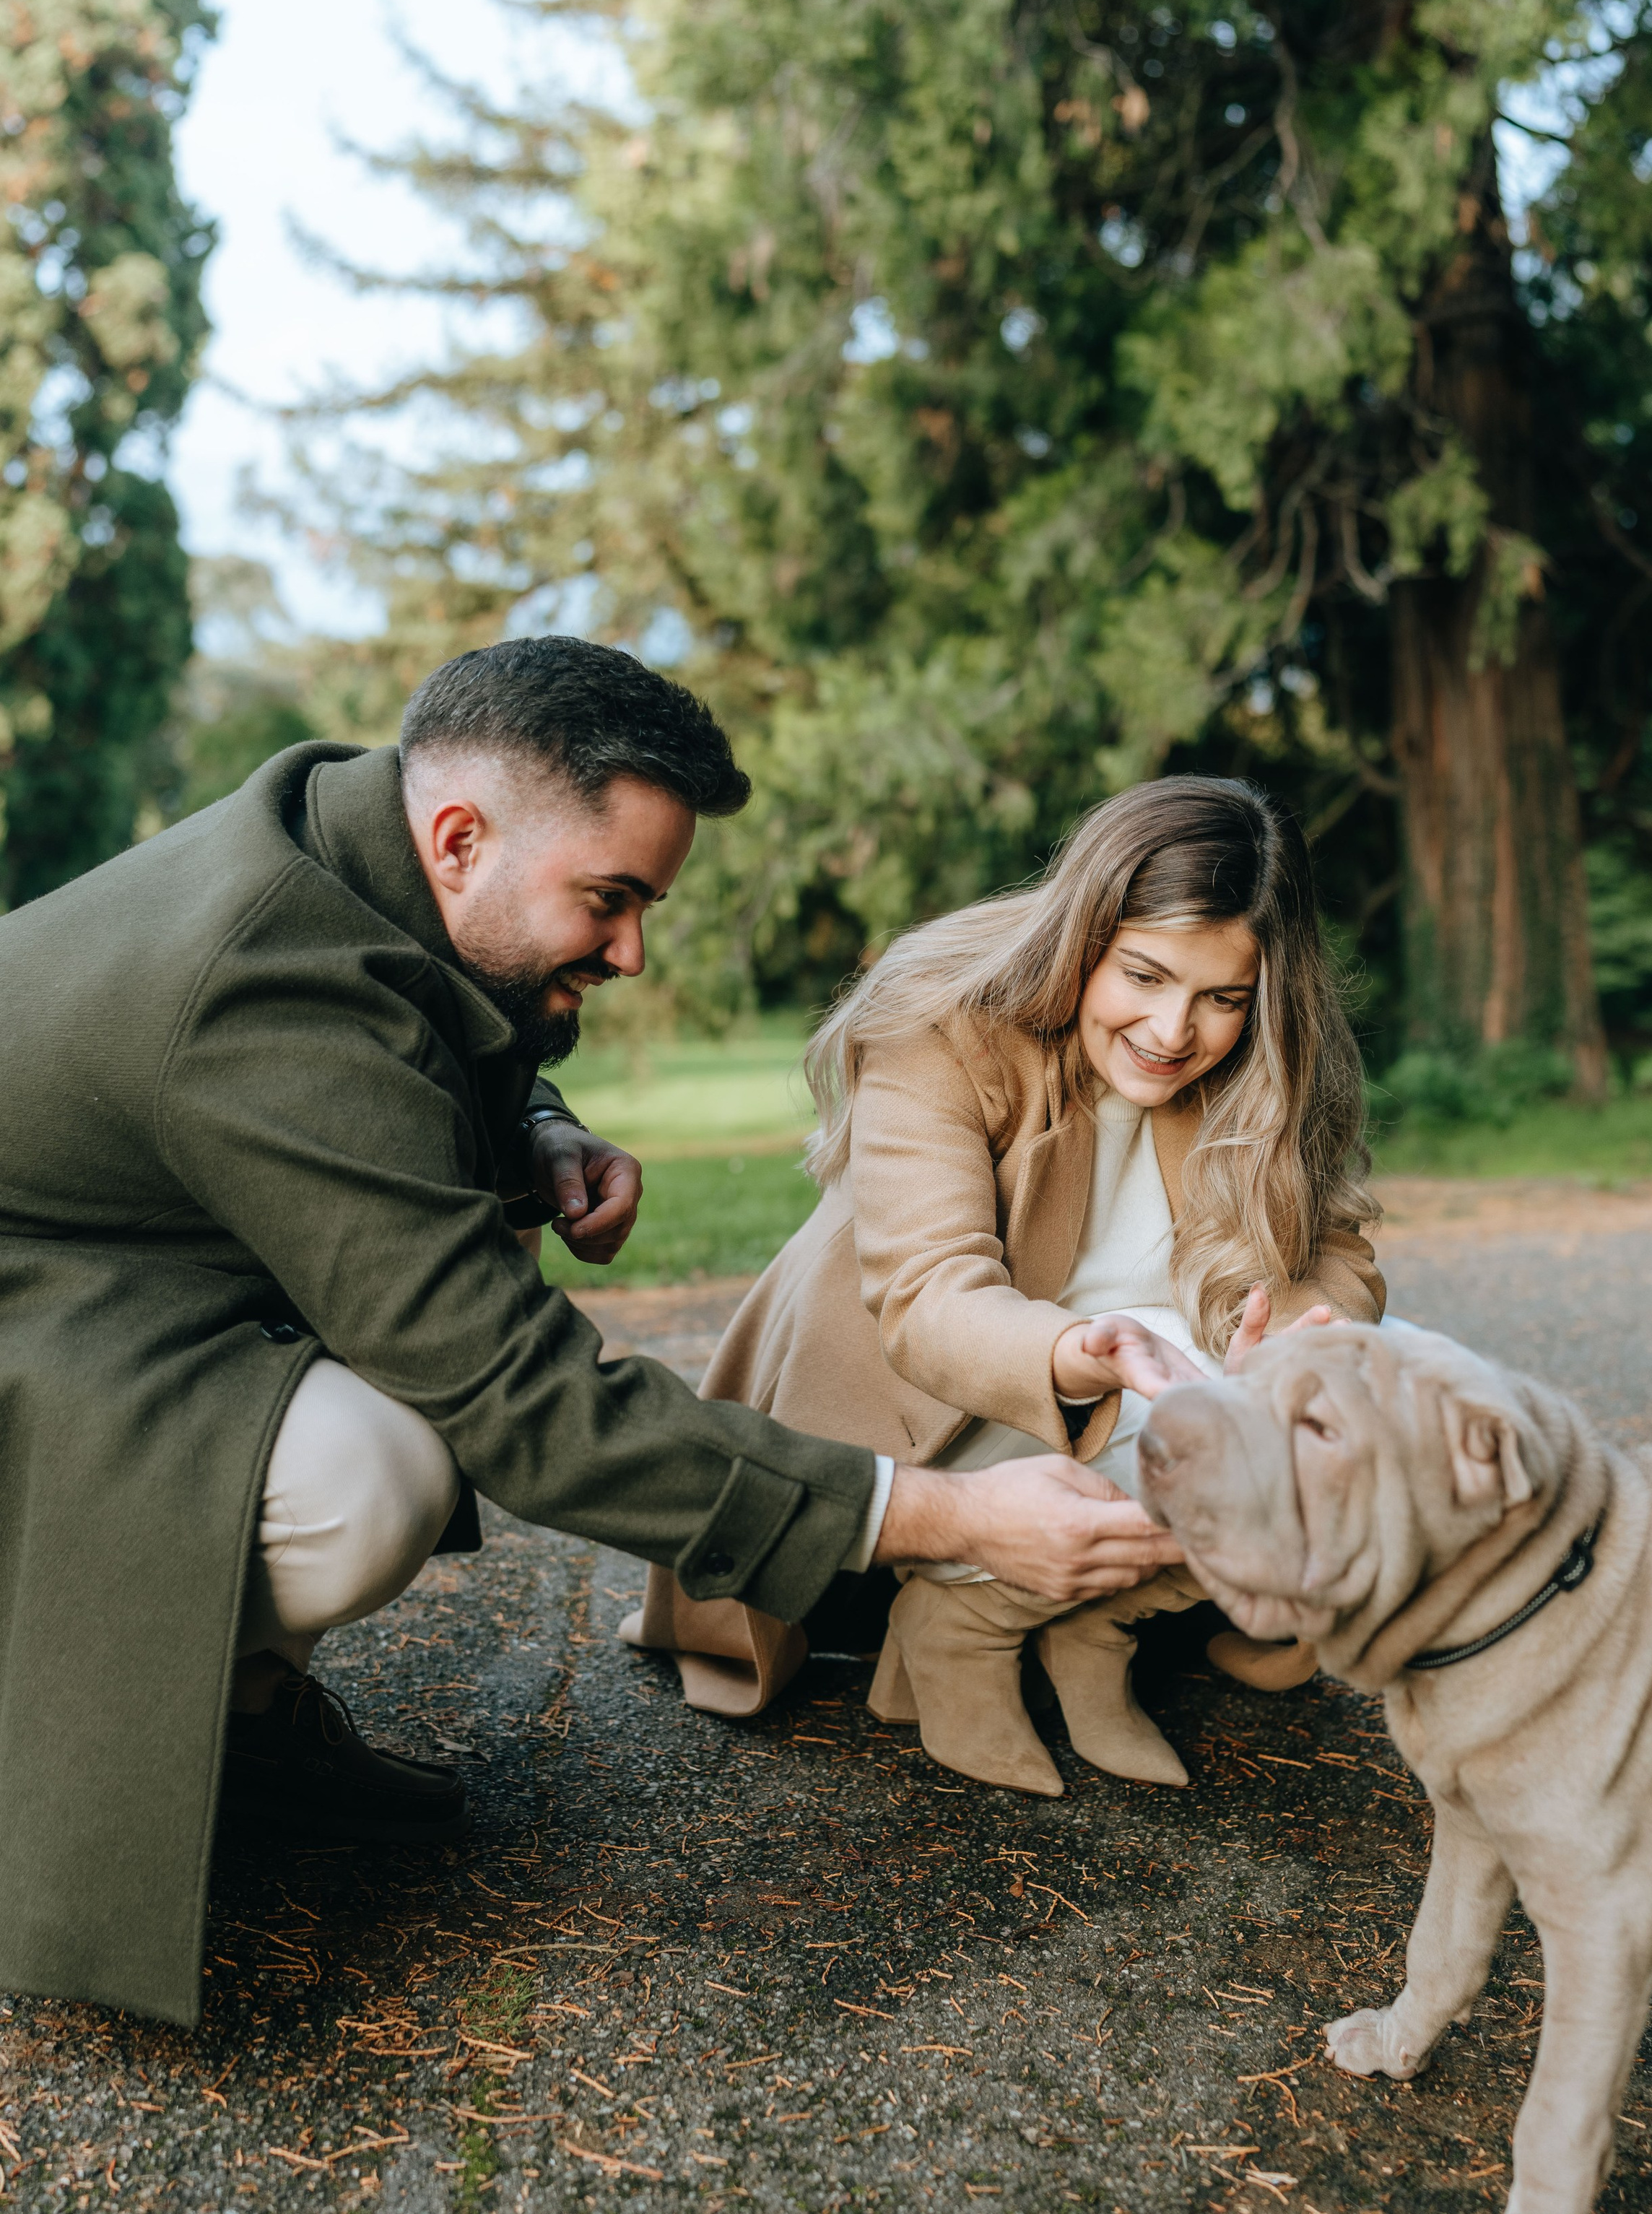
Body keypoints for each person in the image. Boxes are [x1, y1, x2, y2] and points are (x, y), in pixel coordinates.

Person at [0, 638, 1181, 2028]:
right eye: (611, 900)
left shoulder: (344, 840)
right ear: (459, 837)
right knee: (371, 1474)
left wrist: (538, 1126)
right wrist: (941, 1517)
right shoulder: (268, 981)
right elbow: (528, 1400)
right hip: (46, 1322)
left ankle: (245, 1728)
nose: (631, 950)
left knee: (391, 1396)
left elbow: (409, 1042)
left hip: (104, 1276)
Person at [632, 777, 1386, 1790]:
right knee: (1199, 1417)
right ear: (1084, 938)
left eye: (1222, 999)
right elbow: (931, 1296)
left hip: (1148, 1365)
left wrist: (1293, 1342)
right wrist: (1076, 1355)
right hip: (940, 1387)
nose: (1174, 1032)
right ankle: (956, 1621)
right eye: (1145, 977)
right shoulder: (939, 1019)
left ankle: (1101, 1631)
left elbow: (1338, 1253)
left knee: (1347, 1396)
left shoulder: (1271, 1057)